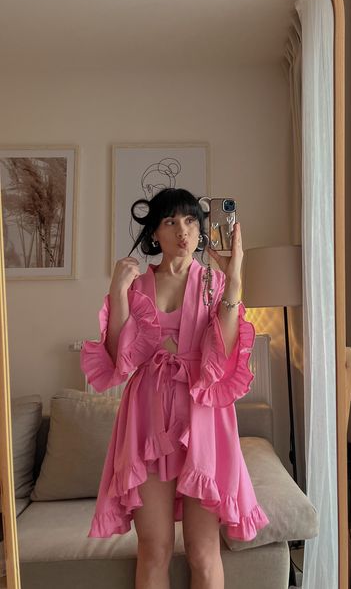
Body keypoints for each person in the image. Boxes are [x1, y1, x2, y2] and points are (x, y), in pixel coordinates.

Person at [80, 187, 269, 589]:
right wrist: (116, 291)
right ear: (154, 233)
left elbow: (225, 354)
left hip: (202, 416)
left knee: (203, 551)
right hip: (147, 420)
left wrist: (235, 276)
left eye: (190, 220)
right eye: (170, 221)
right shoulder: (136, 285)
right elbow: (117, 360)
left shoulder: (214, 283)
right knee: (154, 548)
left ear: (200, 230)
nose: (182, 230)